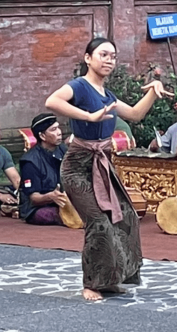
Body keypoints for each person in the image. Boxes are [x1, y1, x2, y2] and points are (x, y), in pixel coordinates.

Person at [46, 37, 169, 301]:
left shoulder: (108, 96)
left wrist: (153, 90)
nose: (109, 60)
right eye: (103, 54)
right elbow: (52, 102)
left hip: (102, 164)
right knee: (98, 222)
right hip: (77, 165)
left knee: (126, 216)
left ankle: (111, 278)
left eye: (113, 56)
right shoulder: (79, 86)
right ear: (88, 58)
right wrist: (88, 116)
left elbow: (135, 114)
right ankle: (91, 283)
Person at [19, 113, 67, 225]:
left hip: (62, 202)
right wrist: (51, 197)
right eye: (53, 130)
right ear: (42, 136)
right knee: (48, 214)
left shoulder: (64, 150)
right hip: (37, 208)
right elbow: (34, 198)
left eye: (58, 128)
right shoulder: (30, 161)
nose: (59, 132)